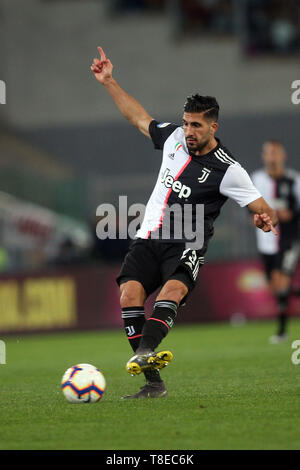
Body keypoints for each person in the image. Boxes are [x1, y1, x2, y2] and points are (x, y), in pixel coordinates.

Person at [91, 46, 278, 399]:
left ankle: (146, 353)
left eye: (196, 125)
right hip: (149, 236)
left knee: (171, 291)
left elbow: (260, 206)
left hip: (188, 239)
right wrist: (109, 82)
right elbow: (138, 117)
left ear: (212, 126)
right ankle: (153, 383)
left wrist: (262, 218)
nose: (188, 130)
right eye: (186, 122)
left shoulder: (228, 169)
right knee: (128, 294)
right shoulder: (174, 138)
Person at [252, 140, 300, 343]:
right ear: (264, 156)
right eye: (268, 153)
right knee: (275, 287)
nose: (271, 156)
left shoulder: (294, 180)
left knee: (281, 281)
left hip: (288, 239)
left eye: (275, 152)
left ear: (282, 156)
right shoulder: (257, 178)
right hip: (265, 242)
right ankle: (282, 329)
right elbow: (249, 204)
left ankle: (281, 332)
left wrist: (291, 214)